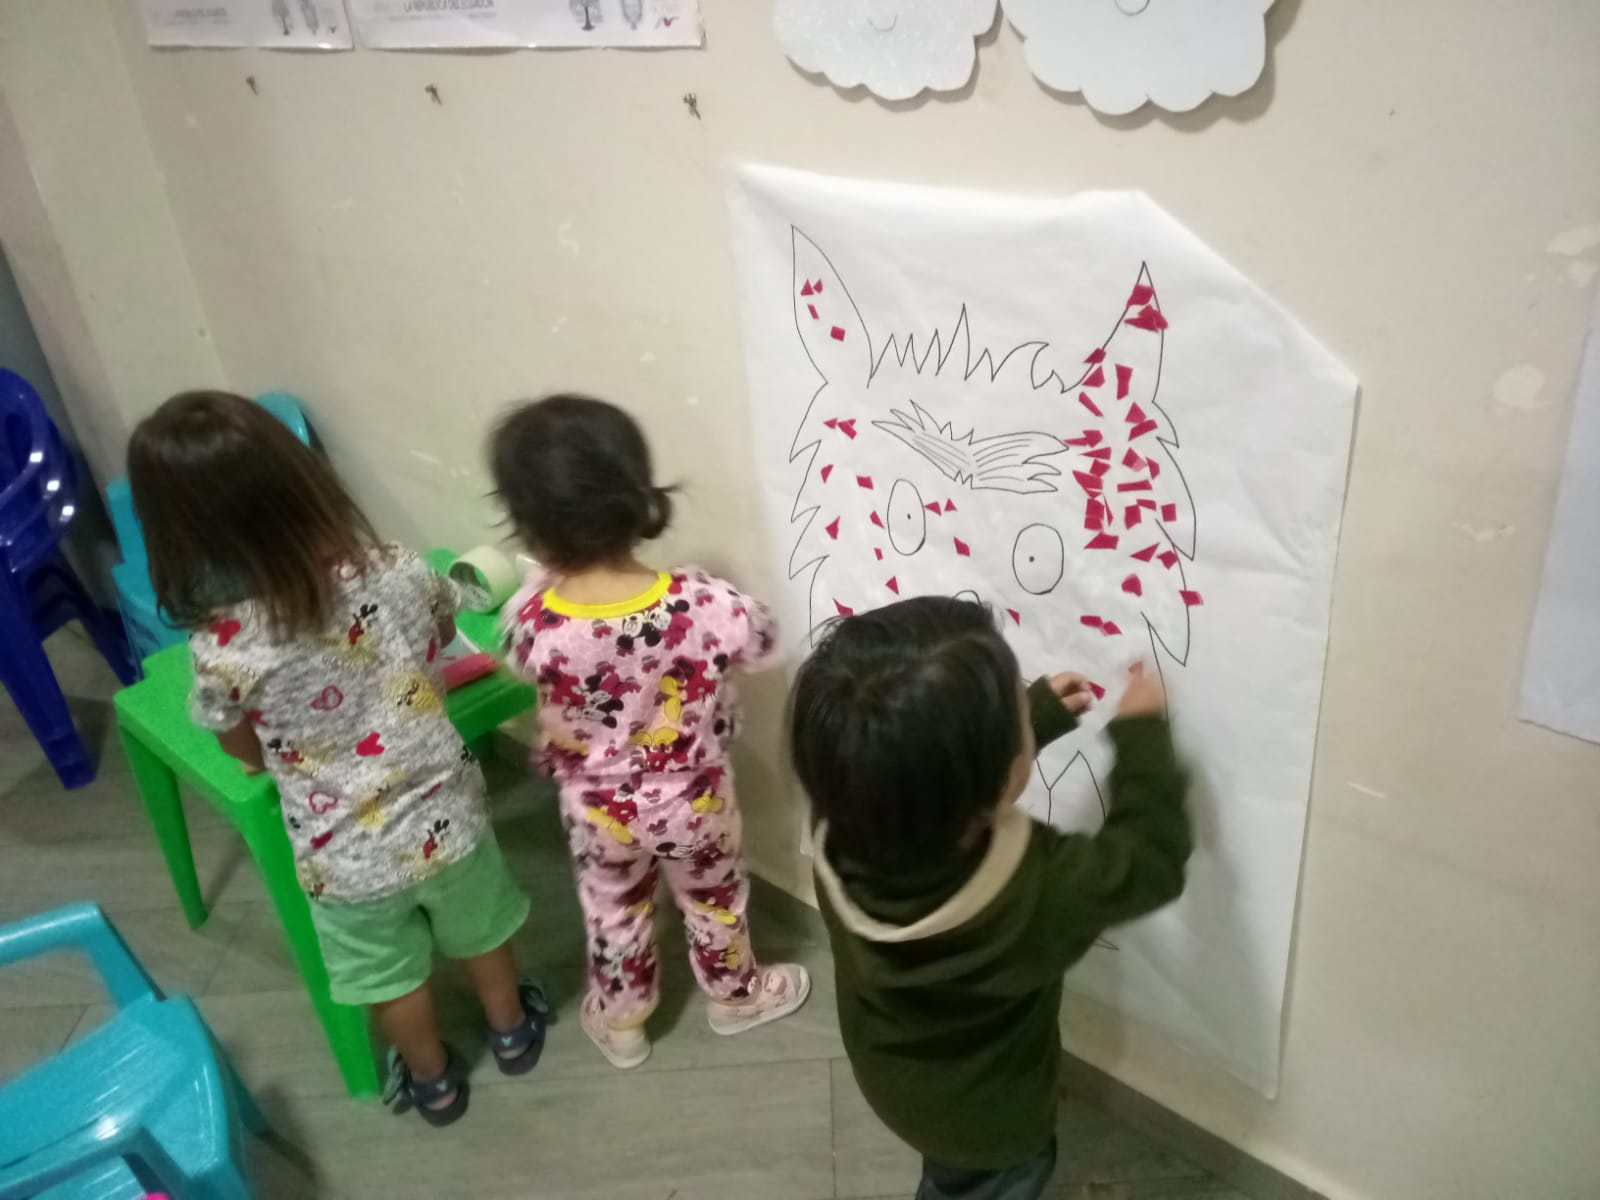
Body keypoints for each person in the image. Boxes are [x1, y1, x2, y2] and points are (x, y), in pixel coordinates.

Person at [128, 391, 544, 1127]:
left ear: (179, 534)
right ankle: (512, 1031)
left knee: (390, 977)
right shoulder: (395, 567)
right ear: (305, 479)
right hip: (449, 813)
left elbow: (240, 747)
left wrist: (277, 748)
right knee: (483, 930)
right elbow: (438, 631)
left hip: (343, 856)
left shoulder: (220, 646)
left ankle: (434, 1083)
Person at [789, 596, 1191, 1200]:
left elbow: (925, 776)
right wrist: (1142, 736)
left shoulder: (840, 824)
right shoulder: (1035, 889)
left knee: (950, 1173)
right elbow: (1151, 861)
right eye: (1016, 711)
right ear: (996, 776)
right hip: (997, 1123)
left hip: (893, 1080)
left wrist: (1036, 720)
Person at [490, 394, 808, 1069]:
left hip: (596, 810)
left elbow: (520, 662)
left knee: (612, 908)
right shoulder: (704, 604)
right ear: (639, 498)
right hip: (695, 800)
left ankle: (624, 1022)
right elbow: (766, 640)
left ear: (527, 522)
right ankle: (736, 997)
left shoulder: (531, 618)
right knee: (715, 899)